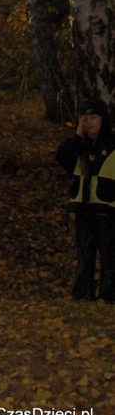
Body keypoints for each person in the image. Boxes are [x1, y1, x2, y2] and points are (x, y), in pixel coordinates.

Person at [56, 98, 115, 302]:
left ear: (103, 118)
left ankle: (110, 296)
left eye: (93, 117)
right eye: (84, 118)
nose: (88, 122)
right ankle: (82, 295)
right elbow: (62, 158)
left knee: (109, 255)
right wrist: (78, 135)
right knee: (85, 254)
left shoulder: (112, 143)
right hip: (83, 207)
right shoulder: (78, 145)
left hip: (107, 207)